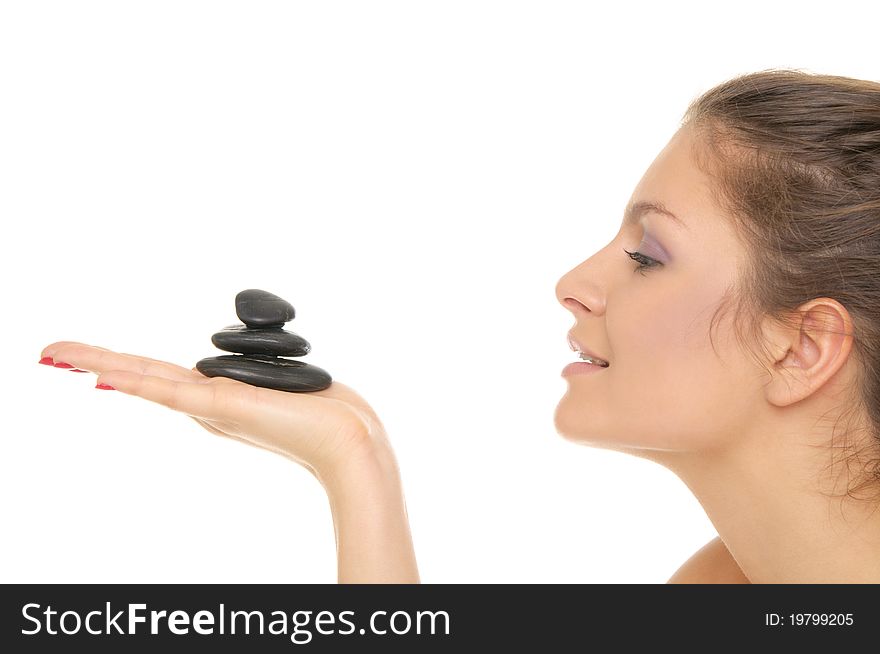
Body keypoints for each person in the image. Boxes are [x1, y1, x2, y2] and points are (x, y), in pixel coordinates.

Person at [40, 68, 880, 583]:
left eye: (647, 255)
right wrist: (353, 455)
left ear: (801, 349)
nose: (574, 284)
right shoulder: (734, 589)